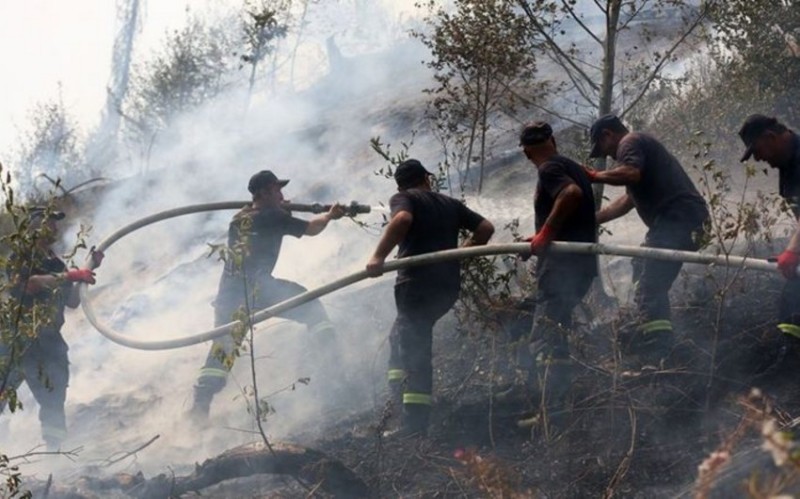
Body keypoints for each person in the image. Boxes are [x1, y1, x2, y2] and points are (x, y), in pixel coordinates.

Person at [190, 170, 346, 419]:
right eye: (276, 190)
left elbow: (269, 228)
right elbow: (312, 229)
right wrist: (330, 215)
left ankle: (199, 406)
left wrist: (282, 212)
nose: (282, 194)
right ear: (263, 193)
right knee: (310, 306)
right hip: (258, 289)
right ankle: (335, 368)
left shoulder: (241, 217)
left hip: (229, 295)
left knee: (224, 347)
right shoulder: (270, 216)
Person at [366, 159, 494, 437]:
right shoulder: (449, 203)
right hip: (447, 287)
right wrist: (458, 256)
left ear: (400, 184)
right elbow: (485, 229)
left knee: (415, 349)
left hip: (416, 286)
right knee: (399, 337)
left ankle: (414, 426)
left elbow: (402, 219)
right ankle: (398, 402)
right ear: (426, 178)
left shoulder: (403, 198)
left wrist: (378, 257)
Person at [586, 114, 709, 364]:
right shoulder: (640, 151)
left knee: (649, 286)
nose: (608, 156)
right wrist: (590, 220)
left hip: (678, 217)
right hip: (685, 219)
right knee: (642, 267)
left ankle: (659, 350)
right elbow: (627, 201)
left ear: (608, 135)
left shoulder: (628, 143)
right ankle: (653, 333)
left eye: (603, 148)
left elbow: (630, 174)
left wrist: (594, 176)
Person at [516, 122, 598, 435]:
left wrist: (545, 235)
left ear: (525, 152)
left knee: (546, 336)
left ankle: (556, 414)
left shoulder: (550, 169)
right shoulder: (571, 165)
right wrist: (539, 237)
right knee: (556, 332)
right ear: (553, 139)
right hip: (580, 266)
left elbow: (571, 194)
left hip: (562, 268)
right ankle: (562, 409)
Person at [0, 207, 101, 451]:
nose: (53, 227)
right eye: (47, 221)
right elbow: (31, 284)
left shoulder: (56, 263)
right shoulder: (21, 256)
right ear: (33, 226)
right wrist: (73, 275)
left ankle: (54, 455)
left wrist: (88, 270)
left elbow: (73, 302)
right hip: (17, 339)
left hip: (49, 345)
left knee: (54, 401)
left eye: (55, 222)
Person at [737, 114, 800, 342]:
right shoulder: (788, 168)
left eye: (757, 151)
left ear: (770, 137)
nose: (758, 159)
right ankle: (789, 353)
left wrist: (793, 251)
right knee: (793, 296)